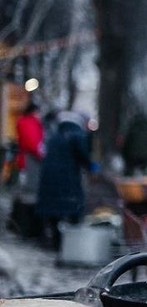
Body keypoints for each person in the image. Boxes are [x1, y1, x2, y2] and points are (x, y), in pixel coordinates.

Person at [36, 111, 99, 250]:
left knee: (53, 211)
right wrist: (92, 166)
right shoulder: (77, 135)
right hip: (68, 180)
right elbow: (83, 155)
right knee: (73, 208)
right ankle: (71, 244)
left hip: (48, 179)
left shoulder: (54, 136)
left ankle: (55, 242)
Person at [15, 101, 45, 192]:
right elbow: (32, 142)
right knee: (29, 188)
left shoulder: (26, 122)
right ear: (34, 112)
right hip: (30, 159)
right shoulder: (30, 123)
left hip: (26, 158)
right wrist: (41, 155)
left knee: (26, 184)